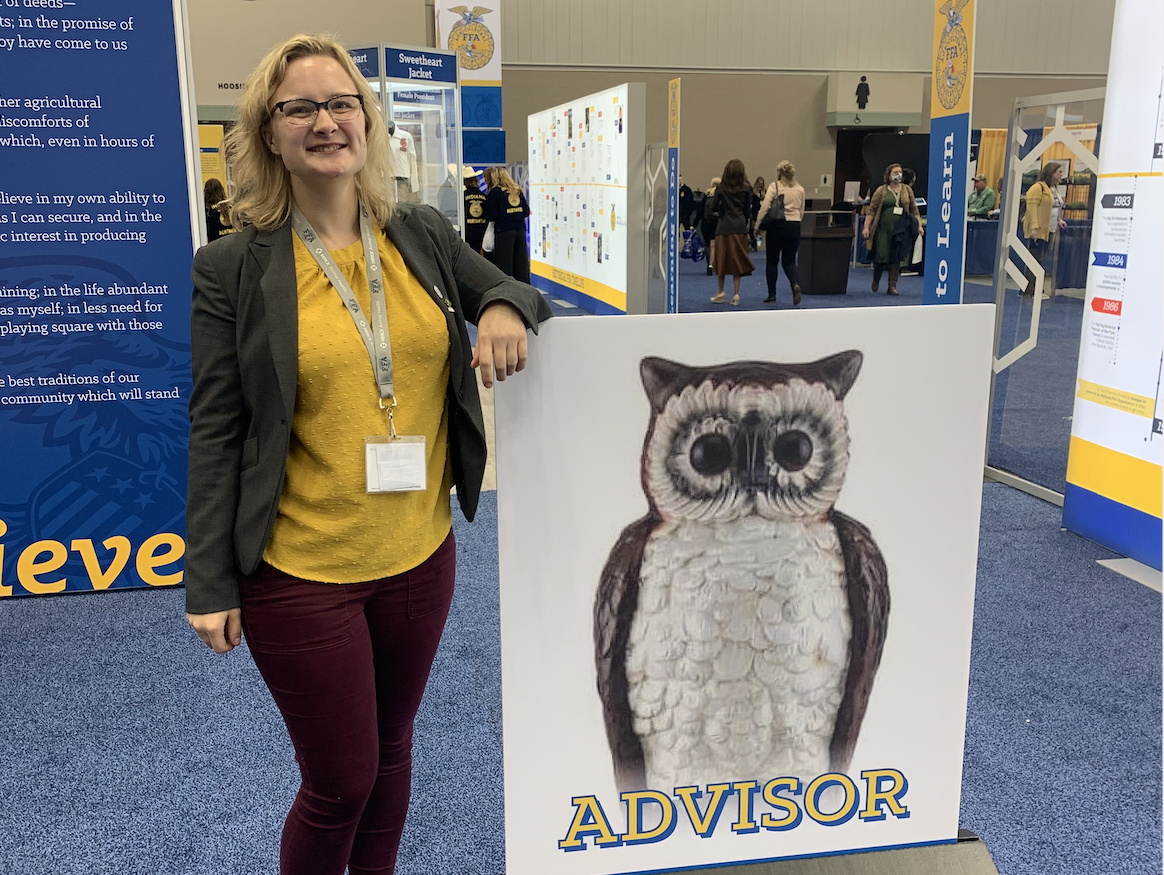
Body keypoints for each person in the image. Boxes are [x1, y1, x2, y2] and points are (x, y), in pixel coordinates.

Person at [184, 33, 552, 875]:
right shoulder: (231, 267)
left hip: (420, 555)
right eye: (300, 107)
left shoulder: (416, 231)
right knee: (340, 779)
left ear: (368, 119)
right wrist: (207, 578)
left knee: (392, 754)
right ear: (268, 133)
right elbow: (215, 427)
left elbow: (509, 284)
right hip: (300, 570)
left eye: (341, 102)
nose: (325, 121)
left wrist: (500, 307)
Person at [862, 163, 922, 295]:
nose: (898, 174)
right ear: (888, 175)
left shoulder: (907, 190)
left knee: (895, 258)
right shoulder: (881, 190)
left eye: (900, 172)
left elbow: (914, 209)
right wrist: (866, 227)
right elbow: (871, 211)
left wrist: (919, 225)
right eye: (895, 172)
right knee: (881, 256)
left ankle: (892, 286)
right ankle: (876, 279)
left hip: (900, 229)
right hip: (883, 229)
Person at [755, 160, 805, 306]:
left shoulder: (774, 187)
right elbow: (801, 211)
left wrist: (757, 226)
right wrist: (795, 222)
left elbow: (765, 208)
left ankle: (772, 295)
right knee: (789, 261)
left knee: (772, 261)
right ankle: (795, 284)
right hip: (795, 226)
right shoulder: (800, 189)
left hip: (777, 226)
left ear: (779, 173)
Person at [708, 159, 755, 305]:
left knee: (721, 260)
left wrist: (722, 210)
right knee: (737, 260)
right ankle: (736, 294)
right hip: (739, 227)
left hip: (724, 227)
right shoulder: (746, 188)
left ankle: (721, 291)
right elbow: (748, 209)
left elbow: (713, 206)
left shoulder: (721, 187)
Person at [1021, 162, 1066, 297]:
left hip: (1049, 229)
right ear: (1051, 173)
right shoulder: (1037, 188)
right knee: (1035, 259)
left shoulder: (1053, 189)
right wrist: (1034, 227)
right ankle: (1031, 289)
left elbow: (1055, 207)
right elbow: (1032, 208)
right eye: (1059, 172)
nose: (1061, 174)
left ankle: (1033, 288)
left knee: (1041, 260)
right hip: (1038, 230)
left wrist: (1059, 220)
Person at [483, 166, 531, 283]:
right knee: (521, 263)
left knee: (505, 263)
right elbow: (525, 211)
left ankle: (507, 288)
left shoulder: (496, 192)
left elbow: (491, 215)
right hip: (520, 230)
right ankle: (524, 288)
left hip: (504, 231)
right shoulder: (517, 190)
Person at [696, 176, 721, 276]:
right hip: (716, 222)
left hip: (705, 223)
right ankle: (711, 265)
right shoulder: (720, 195)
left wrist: (694, 224)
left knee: (707, 245)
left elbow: (700, 211)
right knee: (713, 245)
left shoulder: (706, 195)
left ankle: (708, 262)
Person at [462, 165, 487, 254]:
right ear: (477, 181)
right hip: (481, 232)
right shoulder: (484, 197)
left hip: (467, 232)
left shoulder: (462, 197)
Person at [203, 177, 233, 241]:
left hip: (214, 246)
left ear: (205, 192)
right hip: (231, 244)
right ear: (222, 190)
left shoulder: (206, 211)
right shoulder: (230, 207)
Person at [748, 176, 765, 251]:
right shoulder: (753, 193)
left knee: (759, 231)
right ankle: (754, 244)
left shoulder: (765, 192)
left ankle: (759, 245)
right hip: (754, 213)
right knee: (752, 229)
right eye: (760, 184)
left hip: (761, 213)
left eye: (762, 184)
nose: (761, 186)